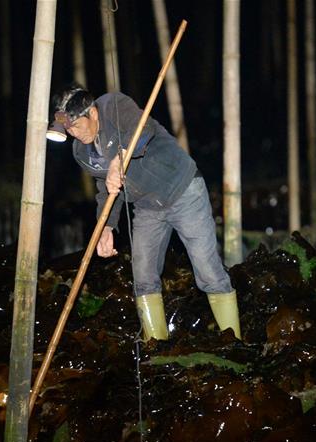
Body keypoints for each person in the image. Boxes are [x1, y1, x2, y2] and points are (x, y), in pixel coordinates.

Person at [47, 84, 240, 341]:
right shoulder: (81, 151)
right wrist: (105, 226)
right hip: (147, 207)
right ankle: (156, 347)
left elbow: (143, 128)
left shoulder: (114, 106)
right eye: (67, 129)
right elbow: (105, 189)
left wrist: (119, 159)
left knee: (207, 271)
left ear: (92, 113)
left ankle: (235, 341)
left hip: (183, 190)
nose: (73, 133)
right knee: (143, 277)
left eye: (76, 125)